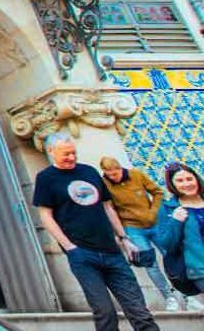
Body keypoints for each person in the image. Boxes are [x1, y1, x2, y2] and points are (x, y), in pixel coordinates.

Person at [33, 132, 159, 331]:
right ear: (51, 152)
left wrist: (123, 238)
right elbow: (45, 215)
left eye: (73, 152)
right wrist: (69, 247)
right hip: (82, 254)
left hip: (112, 251)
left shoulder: (89, 172)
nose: (72, 158)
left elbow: (108, 207)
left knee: (139, 311)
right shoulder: (46, 178)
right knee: (104, 312)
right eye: (66, 154)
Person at [99, 156, 180, 310]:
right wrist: (120, 235)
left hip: (154, 223)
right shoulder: (104, 185)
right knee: (150, 264)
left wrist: (153, 211)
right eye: (110, 175)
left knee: (171, 256)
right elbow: (109, 210)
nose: (114, 177)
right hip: (132, 227)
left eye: (116, 173)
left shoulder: (136, 174)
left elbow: (157, 192)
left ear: (119, 168)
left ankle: (185, 294)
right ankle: (169, 297)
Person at [153, 162, 204, 300]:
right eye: (180, 181)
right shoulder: (168, 209)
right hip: (199, 269)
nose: (186, 184)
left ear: (196, 179)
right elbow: (167, 245)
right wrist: (175, 222)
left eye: (189, 179)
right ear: (172, 185)